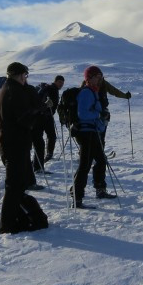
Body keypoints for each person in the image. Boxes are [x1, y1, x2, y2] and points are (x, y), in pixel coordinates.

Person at [0, 62, 49, 234]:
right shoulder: (13, 92)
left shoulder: (6, 89)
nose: (26, 79)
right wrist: (39, 110)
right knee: (14, 187)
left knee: (18, 185)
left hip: (11, 142)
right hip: (14, 143)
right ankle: (7, 225)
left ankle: (15, 219)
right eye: (25, 75)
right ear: (19, 75)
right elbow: (24, 119)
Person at [71, 65, 116, 207]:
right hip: (86, 133)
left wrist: (102, 117)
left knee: (101, 161)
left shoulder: (93, 92)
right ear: (89, 78)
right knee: (85, 165)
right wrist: (99, 114)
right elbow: (83, 114)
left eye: (100, 77)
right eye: (97, 77)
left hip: (93, 132)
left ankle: (100, 189)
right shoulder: (86, 93)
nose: (100, 80)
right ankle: (76, 198)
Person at [32, 75, 65, 171]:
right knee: (44, 138)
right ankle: (44, 158)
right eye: (60, 82)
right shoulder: (50, 88)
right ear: (55, 81)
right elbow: (42, 102)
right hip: (43, 116)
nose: (61, 85)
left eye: (62, 83)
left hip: (45, 116)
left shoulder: (52, 88)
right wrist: (46, 107)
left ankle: (48, 154)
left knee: (49, 136)